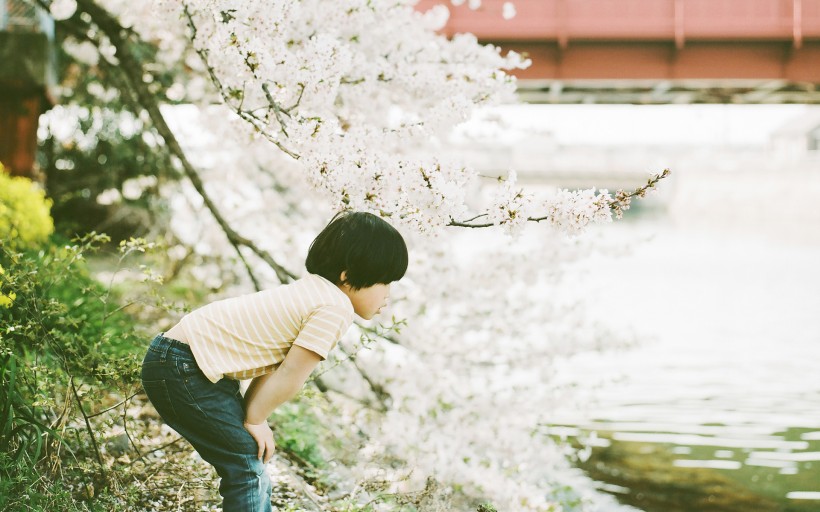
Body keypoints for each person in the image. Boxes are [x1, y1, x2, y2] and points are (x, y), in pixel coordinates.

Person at [140, 211, 408, 511]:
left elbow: (277, 365)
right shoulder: (335, 308)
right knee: (245, 466)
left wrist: (255, 419)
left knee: (250, 462)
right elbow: (292, 374)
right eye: (385, 282)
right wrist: (254, 420)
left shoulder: (312, 290)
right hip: (185, 366)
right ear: (347, 276)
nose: (389, 295)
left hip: (180, 360)